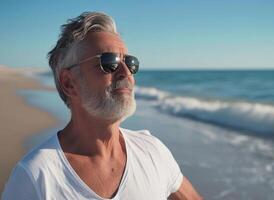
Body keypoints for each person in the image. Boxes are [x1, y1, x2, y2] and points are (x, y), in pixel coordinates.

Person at [2, 12, 203, 200]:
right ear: (69, 83)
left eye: (130, 62)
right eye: (109, 62)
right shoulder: (36, 176)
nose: (126, 72)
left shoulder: (152, 152)